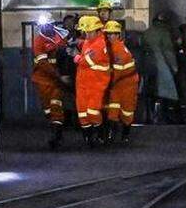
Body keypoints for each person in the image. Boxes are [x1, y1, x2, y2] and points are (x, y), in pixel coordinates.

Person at [73, 15, 111, 146]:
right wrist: (78, 43)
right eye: (84, 32)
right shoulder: (90, 41)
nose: (86, 34)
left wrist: (76, 57)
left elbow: (86, 61)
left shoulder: (100, 44)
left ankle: (100, 134)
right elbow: (86, 47)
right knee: (82, 113)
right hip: (83, 84)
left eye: (88, 32)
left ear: (97, 31)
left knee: (93, 111)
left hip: (96, 84)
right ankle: (88, 139)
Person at [31, 22, 70, 150]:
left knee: (55, 105)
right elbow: (43, 64)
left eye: (50, 25)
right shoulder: (39, 41)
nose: (47, 27)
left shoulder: (58, 37)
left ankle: (57, 136)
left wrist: (63, 74)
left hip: (56, 82)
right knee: (48, 109)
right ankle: (55, 128)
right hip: (43, 80)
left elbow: (65, 57)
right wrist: (59, 76)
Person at [143, 13, 182, 123]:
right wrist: (174, 67)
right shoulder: (164, 33)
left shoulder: (147, 32)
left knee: (149, 92)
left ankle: (149, 116)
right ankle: (162, 117)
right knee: (165, 92)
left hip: (147, 65)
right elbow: (168, 51)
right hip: (161, 64)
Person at [104, 21, 138, 143]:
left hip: (127, 84)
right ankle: (110, 135)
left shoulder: (119, 50)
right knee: (112, 109)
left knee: (127, 111)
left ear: (118, 35)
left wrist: (105, 84)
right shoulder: (110, 47)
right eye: (107, 34)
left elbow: (116, 72)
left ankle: (125, 134)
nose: (109, 36)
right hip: (117, 83)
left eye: (112, 34)